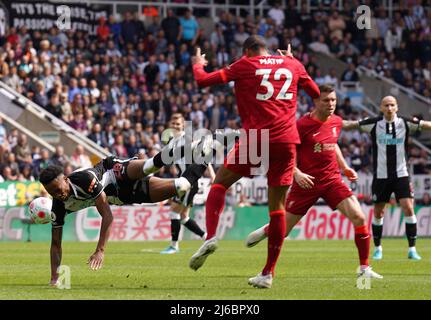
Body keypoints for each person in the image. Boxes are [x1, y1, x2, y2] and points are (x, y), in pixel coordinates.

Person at [188, 35, 320, 281]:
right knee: (277, 210)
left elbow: (202, 80)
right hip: (286, 140)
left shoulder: (245, 64)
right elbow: (315, 93)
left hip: (255, 139)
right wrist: (293, 61)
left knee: (219, 184)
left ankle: (211, 237)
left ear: (247, 50)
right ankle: (268, 273)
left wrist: (198, 63)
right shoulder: (293, 64)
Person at [245, 84, 382, 288]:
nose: (331, 104)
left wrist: (344, 167)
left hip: (332, 180)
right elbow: (284, 153)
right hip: (306, 183)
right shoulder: (301, 125)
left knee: (359, 216)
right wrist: (297, 174)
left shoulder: (335, 122)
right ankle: (267, 270)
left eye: (333, 100)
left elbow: (332, 143)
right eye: (326, 100)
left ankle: (364, 268)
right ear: (315, 102)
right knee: (283, 231)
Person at [40, 136, 211, 287]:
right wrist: (55, 278)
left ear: (65, 179)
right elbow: (56, 244)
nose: (58, 194)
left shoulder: (84, 180)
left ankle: (193, 146)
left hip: (114, 171)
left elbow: (107, 214)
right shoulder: (59, 206)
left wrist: (100, 250)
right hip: (123, 195)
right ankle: (205, 154)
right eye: (52, 193)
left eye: (58, 189)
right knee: (183, 186)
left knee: (149, 166)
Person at [342, 96, 431, 260]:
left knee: (408, 208)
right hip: (381, 176)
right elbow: (350, 125)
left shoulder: (405, 123)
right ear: (381, 108)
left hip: (401, 174)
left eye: (392, 105)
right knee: (378, 212)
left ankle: (412, 249)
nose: (389, 108)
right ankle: (378, 249)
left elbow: (425, 125)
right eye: (386, 105)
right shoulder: (373, 124)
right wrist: (329, 120)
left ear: (397, 107)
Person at [160, 113, 215, 254]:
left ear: (183, 125)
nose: (175, 126)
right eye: (173, 124)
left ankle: (174, 246)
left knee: (173, 212)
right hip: (182, 181)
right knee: (183, 217)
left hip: (188, 182)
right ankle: (208, 239)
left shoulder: (188, 139)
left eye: (178, 124)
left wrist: (212, 174)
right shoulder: (172, 141)